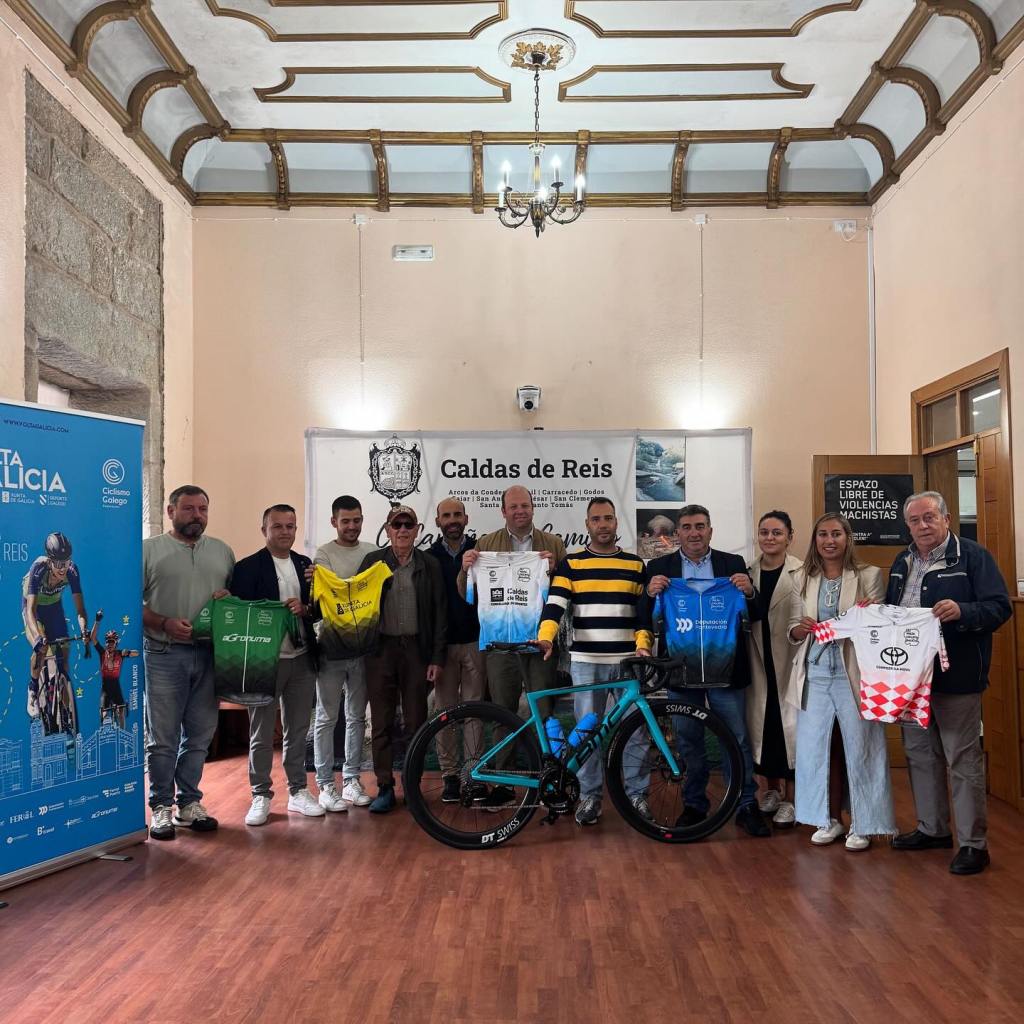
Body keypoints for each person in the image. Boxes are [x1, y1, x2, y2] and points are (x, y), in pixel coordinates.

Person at [887, 491, 1011, 875]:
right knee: (920, 756)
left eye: (929, 518)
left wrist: (963, 611)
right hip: (911, 680)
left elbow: (999, 607)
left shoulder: (973, 557)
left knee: (962, 758)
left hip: (956, 677)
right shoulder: (902, 560)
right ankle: (933, 829)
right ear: (907, 525)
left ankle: (974, 845)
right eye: (914, 520)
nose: (922, 526)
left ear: (946, 517)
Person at [643, 503, 770, 837]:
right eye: (687, 527)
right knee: (689, 742)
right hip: (681, 671)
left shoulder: (733, 564)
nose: (694, 532)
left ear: (710, 530)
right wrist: (648, 592)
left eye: (700, 526)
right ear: (677, 533)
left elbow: (754, 612)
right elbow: (645, 615)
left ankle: (745, 805)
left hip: (726, 670)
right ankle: (695, 805)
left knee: (736, 739)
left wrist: (750, 591)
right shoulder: (659, 568)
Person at [536, 497, 653, 826]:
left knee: (637, 731)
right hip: (587, 661)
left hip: (629, 662)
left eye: (609, 519)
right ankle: (589, 797)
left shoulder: (636, 565)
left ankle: (637, 796)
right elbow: (555, 605)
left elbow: (644, 615)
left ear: (617, 523)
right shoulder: (571, 564)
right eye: (596, 519)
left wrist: (643, 645)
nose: (603, 525)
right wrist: (546, 636)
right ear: (587, 524)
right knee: (588, 733)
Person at [787, 513, 892, 850]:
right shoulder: (801, 577)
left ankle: (864, 823)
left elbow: (878, 625)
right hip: (815, 672)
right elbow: (791, 627)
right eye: (822, 534)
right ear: (814, 539)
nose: (829, 540)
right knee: (816, 748)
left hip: (854, 672)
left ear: (847, 538)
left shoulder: (869, 575)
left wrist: (866, 615)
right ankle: (826, 819)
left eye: (836, 534)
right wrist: (798, 629)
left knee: (862, 745)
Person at [142, 485, 234, 841]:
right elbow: (129, 603)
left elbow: (233, 604)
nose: (197, 515)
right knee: (162, 738)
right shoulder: (149, 551)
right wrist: (163, 623)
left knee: (199, 736)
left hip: (211, 656)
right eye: (189, 509)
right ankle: (161, 807)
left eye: (203, 509)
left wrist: (228, 600)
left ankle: (189, 803)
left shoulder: (223, 552)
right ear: (170, 512)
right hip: (163, 655)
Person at [231, 504, 324, 826]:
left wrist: (306, 608)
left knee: (297, 730)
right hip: (264, 660)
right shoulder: (247, 568)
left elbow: (320, 611)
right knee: (260, 733)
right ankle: (261, 795)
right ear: (264, 530)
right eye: (278, 526)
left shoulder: (306, 565)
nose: (285, 532)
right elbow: (239, 615)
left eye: (291, 526)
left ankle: (298, 791)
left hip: (301, 660)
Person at [359, 505, 447, 813]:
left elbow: (440, 615)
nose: (403, 529)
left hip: (416, 652)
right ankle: (384, 786)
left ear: (418, 529)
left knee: (415, 722)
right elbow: (357, 605)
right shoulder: (372, 562)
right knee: (381, 721)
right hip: (380, 651)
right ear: (387, 529)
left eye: (409, 524)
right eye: (397, 524)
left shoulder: (430, 565)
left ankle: (412, 785)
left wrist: (436, 657)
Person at [458, 484, 566, 723]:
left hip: (540, 643)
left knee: (544, 713)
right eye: (513, 506)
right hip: (500, 645)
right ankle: (504, 762)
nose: (520, 511)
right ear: (503, 511)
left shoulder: (553, 544)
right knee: (502, 714)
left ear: (533, 508)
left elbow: (566, 591)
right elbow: (468, 595)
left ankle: (544, 760)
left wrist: (554, 571)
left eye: (525, 506)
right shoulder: (485, 544)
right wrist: (465, 569)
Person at [312, 495, 378, 809]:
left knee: (356, 717)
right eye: (345, 521)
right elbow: (331, 591)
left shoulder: (373, 553)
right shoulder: (323, 554)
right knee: (326, 717)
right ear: (334, 522)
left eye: (357, 520)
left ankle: (351, 779)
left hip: (364, 649)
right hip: (330, 647)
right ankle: (325, 784)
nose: (352, 526)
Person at [428, 497, 486, 803]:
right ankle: (450, 776)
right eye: (446, 515)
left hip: (476, 641)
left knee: (474, 711)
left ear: (466, 518)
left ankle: (473, 774)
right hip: (443, 647)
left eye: (457, 514)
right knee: (445, 713)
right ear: (438, 521)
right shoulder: (429, 557)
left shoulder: (481, 552)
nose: (452, 519)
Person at [746, 511, 802, 828]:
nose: (770, 538)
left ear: (789, 537)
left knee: (788, 730)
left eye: (777, 533)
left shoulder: (802, 572)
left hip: (789, 659)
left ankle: (793, 799)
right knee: (763, 728)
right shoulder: (746, 571)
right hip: (758, 659)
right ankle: (771, 791)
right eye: (764, 532)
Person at [22, 532, 89, 733]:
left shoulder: (72, 571)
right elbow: (31, 611)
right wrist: (38, 638)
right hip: (33, 609)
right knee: (42, 649)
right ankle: (33, 689)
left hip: (54, 609)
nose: (63, 569)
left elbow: (80, 610)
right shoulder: (38, 568)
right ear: (50, 561)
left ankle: (65, 709)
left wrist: (84, 629)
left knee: (63, 661)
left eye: (66, 563)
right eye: (58, 564)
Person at [94, 627, 139, 731]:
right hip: (105, 686)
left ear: (116, 643)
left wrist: (128, 652)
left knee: (121, 711)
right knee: (104, 713)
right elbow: (93, 638)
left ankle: (122, 732)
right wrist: (97, 621)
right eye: (108, 642)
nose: (110, 644)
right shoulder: (102, 653)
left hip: (115, 685)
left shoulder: (120, 653)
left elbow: (137, 653)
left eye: (112, 642)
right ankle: (105, 730)